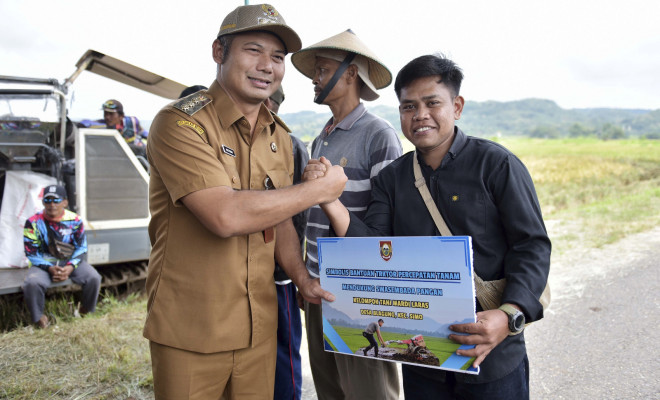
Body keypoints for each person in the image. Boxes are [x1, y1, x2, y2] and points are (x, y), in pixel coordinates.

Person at [306, 54, 551, 400]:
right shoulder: (393, 179)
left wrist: (508, 316)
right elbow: (371, 247)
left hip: (492, 356)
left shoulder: (497, 165)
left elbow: (532, 246)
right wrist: (328, 199)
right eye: (408, 107)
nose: (420, 115)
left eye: (432, 103)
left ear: (457, 106)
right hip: (423, 362)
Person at [142, 4, 345, 399]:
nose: (266, 66)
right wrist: (317, 191)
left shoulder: (279, 136)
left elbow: (281, 218)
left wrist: (302, 278)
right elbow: (224, 214)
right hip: (192, 329)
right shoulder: (180, 123)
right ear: (220, 52)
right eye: (253, 50)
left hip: (259, 329)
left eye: (277, 57)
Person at [290, 29, 402, 400]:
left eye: (322, 70)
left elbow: (388, 222)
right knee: (331, 390)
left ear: (350, 74)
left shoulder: (378, 134)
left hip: (359, 292)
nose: (315, 79)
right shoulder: (321, 137)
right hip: (319, 286)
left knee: (369, 391)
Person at [265, 85, 308, 400]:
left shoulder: (290, 145)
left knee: (283, 348)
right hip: (244, 272)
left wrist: (292, 268)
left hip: (280, 271)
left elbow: (298, 214)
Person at [22, 184, 101, 329]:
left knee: (93, 278)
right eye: (48, 200)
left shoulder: (75, 220)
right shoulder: (32, 222)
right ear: (43, 202)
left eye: (56, 200)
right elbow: (31, 252)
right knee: (32, 283)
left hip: (69, 261)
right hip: (43, 262)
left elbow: (81, 248)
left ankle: (85, 311)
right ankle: (39, 318)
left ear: (65, 202)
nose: (52, 205)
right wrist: (50, 268)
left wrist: (70, 267)